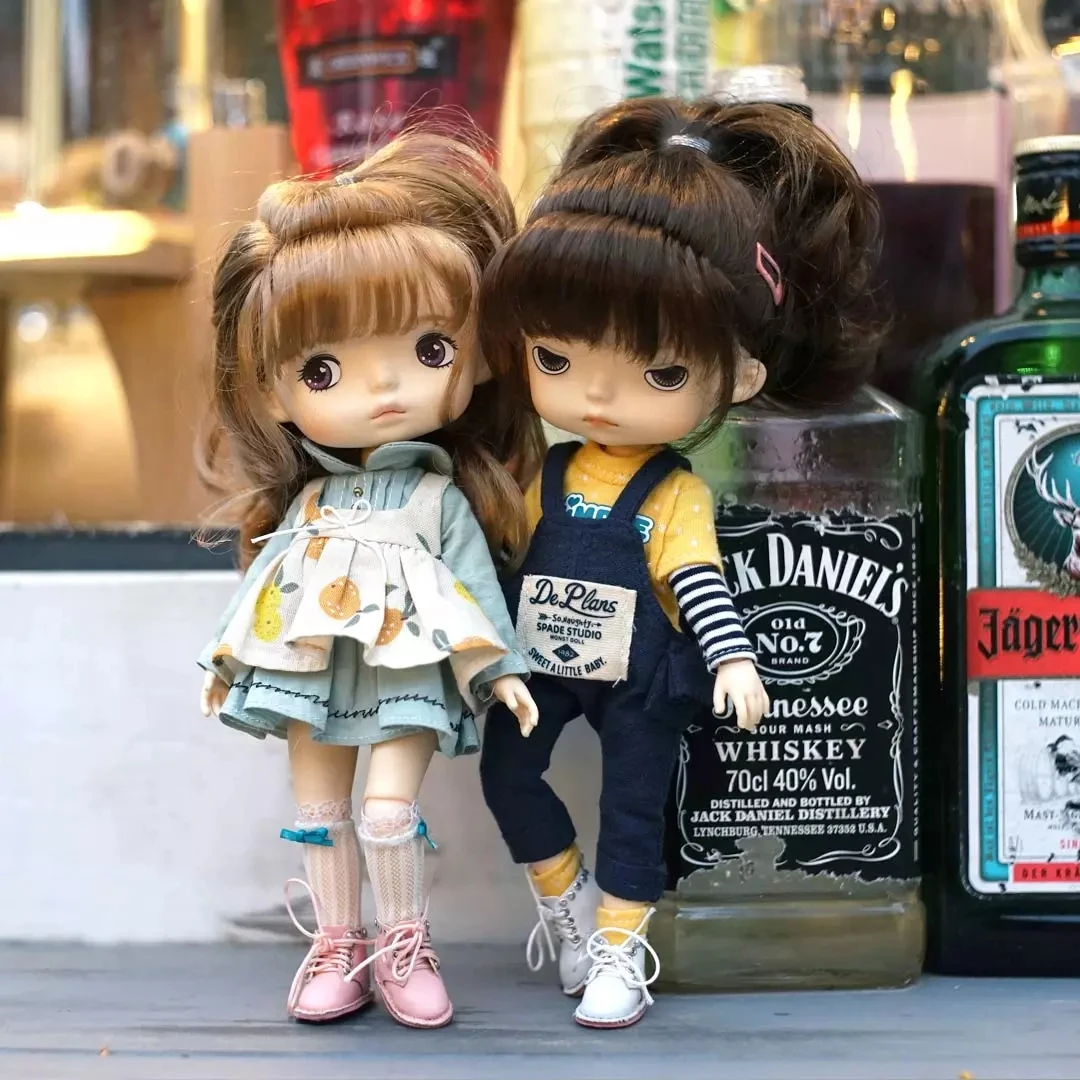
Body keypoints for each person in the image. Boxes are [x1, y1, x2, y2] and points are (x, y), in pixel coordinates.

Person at [477, 96, 885, 1028]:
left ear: (738, 377)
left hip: (642, 673)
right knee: (507, 774)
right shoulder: (549, 470)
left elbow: (696, 578)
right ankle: (566, 902)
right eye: (555, 358)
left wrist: (733, 658)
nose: (597, 396)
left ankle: (620, 946)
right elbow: (513, 556)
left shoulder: (673, 493)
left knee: (634, 806)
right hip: (544, 657)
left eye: (660, 373)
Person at [197, 130, 542, 1029]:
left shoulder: (437, 499)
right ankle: (337, 942)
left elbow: (472, 587)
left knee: (388, 811)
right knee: (320, 811)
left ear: (478, 353)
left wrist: (499, 670)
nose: (383, 388)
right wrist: (225, 661)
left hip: (405, 677)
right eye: (324, 370)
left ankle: (404, 943)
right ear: (272, 391)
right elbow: (267, 589)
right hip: (307, 668)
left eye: (430, 349)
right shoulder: (307, 504)